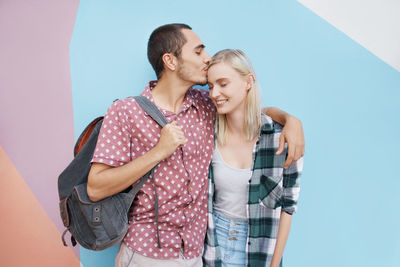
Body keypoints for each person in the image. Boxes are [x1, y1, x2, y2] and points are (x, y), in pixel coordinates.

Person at [87, 24, 304, 267]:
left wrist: (290, 121)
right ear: (170, 61)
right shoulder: (126, 112)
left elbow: (247, 110)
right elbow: (95, 188)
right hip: (146, 255)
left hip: (197, 256)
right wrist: (159, 152)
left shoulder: (206, 105)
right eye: (199, 52)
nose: (207, 59)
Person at [202, 49, 303, 267]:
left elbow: (288, 207)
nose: (214, 93)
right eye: (210, 86)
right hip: (212, 244)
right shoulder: (207, 133)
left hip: (258, 248)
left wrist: (274, 264)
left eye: (223, 83)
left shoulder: (282, 138)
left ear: (248, 82)